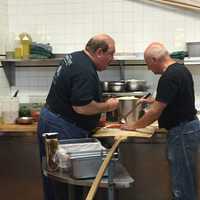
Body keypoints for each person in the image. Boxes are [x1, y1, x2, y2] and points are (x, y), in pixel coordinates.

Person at [37, 33, 119, 200]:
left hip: (53, 120)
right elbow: (82, 107)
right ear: (99, 52)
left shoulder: (74, 57)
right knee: (67, 183)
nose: (112, 58)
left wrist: (94, 121)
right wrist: (108, 106)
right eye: (111, 53)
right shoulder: (85, 70)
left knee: (54, 178)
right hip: (62, 127)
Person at [122, 42, 200, 200]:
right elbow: (174, 100)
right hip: (188, 129)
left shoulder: (169, 76)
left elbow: (154, 113)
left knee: (182, 183)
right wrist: (155, 101)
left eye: (148, 64)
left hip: (182, 132)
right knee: (185, 179)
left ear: (154, 59)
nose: (149, 69)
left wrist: (133, 127)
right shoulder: (180, 69)